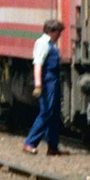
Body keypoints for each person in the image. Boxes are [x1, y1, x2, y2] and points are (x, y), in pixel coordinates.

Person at [22, 19, 65, 156]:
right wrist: (38, 85)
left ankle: (52, 147)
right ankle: (30, 143)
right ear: (52, 32)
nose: (59, 36)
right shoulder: (43, 44)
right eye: (58, 33)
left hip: (53, 81)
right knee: (46, 112)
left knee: (54, 114)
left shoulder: (50, 44)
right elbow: (38, 64)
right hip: (47, 82)